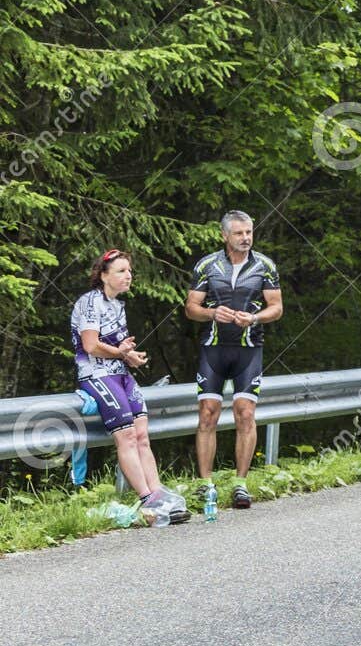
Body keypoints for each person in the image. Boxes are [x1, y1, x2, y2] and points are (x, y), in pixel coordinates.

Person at [72, 250, 188, 523]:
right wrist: (122, 353)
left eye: (130, 271)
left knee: (142, 436)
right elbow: (90, 346)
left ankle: (158, 494)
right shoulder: (90, 302)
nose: (128, 276)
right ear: (103, 275)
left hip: (121, 374)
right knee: (125, 437)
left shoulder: (117, 306)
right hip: (97, 376)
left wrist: (129, 356)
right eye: (121, 271)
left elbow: (117, 348)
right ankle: (148, 500)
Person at [184, 211, 283, 508]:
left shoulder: (265, 265)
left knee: (245, 414)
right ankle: (205, 484)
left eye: (249, 232)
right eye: (239, 233)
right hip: (213, 348)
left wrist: (254, 317)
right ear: (225, 235)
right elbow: (191, 307)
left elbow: (276, 308)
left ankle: (241, 483)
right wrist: (213, 313)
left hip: (248, 349)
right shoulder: (206, 265)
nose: (246, 238)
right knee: (208, 413)